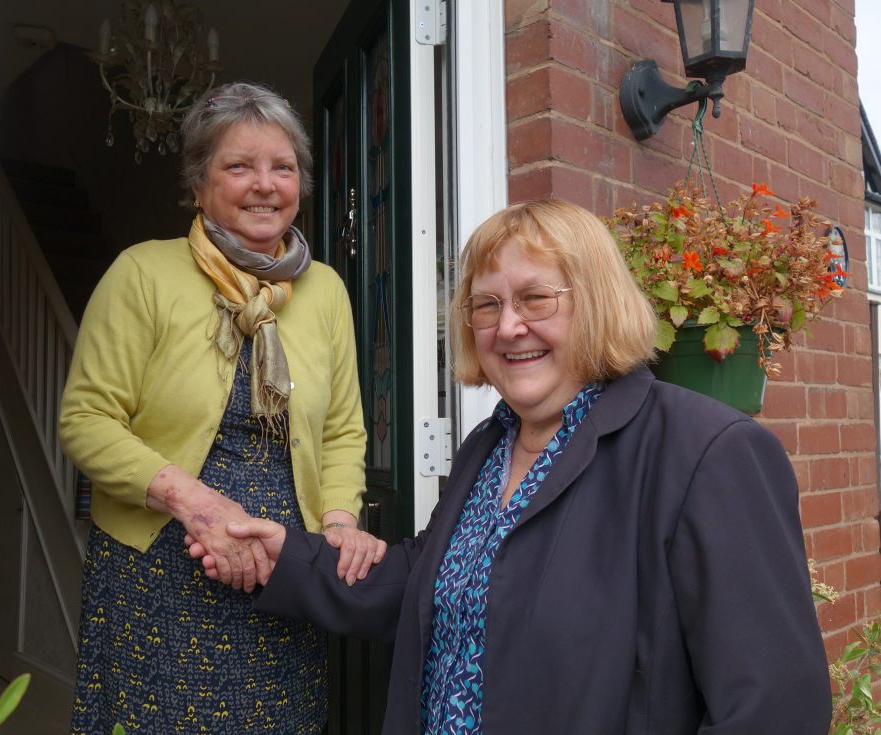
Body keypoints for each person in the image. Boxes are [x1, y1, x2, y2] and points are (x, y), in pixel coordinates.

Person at [192, 200, 833, 733]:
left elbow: (775, 710)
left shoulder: (706, 451)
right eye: (487, 304)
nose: (508, 327)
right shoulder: (487, 445)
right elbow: (427, 584)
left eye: (536, 298)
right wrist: (287, 558)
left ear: (599, 304)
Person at [59, 81, 386, 735]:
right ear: (198, 184)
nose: (265, 185)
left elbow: (344, 428)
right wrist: (201, 505)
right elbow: (86, 419)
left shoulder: (323, 290)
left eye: (282, 167)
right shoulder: (143, 273)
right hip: (160, 572)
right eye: (239, 165)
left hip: (285, 575)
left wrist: (340, 520)